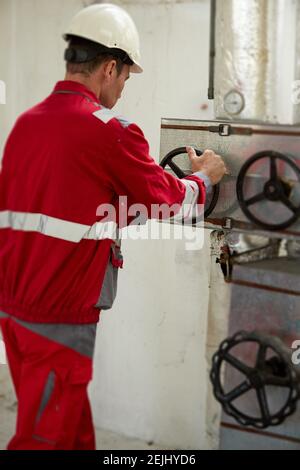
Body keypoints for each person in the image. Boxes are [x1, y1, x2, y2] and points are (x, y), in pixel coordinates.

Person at [0, 3, 227, 450]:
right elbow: (167, 203)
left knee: (69, 425)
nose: (124, 87)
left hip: (13, 306)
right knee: (45, 438)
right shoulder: (109, 130)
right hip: (59, 314)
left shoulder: (26, 124)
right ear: (109, 67)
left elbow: (66, 206)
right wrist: (204, 179)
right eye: (125, 76)